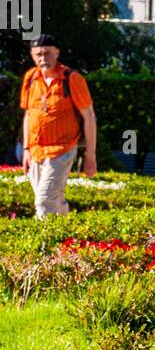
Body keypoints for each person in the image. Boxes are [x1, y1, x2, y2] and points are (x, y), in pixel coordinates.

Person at [20, 35, 97, 217]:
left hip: (62, 149)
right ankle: (65, 236)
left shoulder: (72, 79)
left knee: (44, 200)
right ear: (32, 55)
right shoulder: (31, 78)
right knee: (55, 199)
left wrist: (90, 156)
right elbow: (28, 114)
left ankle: (44, 243)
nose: (43, 58)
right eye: (38, 54)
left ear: (57, 53)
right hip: (36, 150)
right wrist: (26, 148)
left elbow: (90, 117)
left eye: (47, 53)